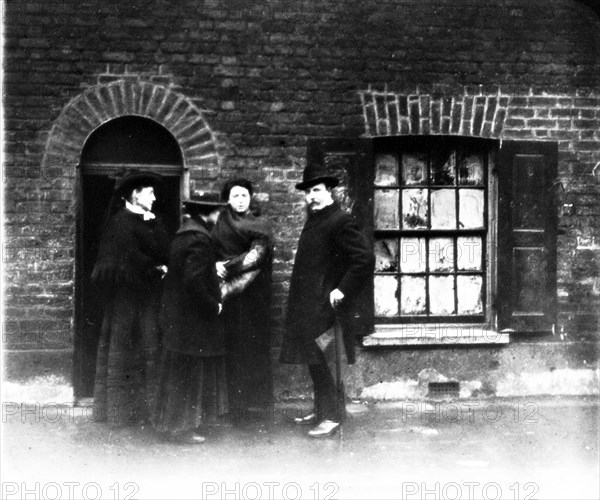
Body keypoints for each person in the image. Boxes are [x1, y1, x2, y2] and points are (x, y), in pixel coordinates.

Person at [279, 163, 374, 438]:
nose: (311, 196)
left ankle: (331, 417)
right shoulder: (316, 219)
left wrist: (342, 290)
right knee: (314, 359)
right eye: (308, 191)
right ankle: (323, 409)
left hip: (326, 306)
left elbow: (364, 259)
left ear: (329, 191)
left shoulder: (341, 220)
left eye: (317, 190)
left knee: (326, 360)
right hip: (309, 305)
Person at [91, 170, 170, 425]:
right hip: (127, 301)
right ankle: (122, 415)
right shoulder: (120, 223)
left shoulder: (154, 221)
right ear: (135, 195)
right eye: (150, 193)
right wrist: (154, 268)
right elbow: (124, 260)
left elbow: (165, 252)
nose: (155, 198)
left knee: (150, 348)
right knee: (126, 351)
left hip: (150, 299)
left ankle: (148, 414)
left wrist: (164, 266)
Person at [152, 192, 228, 444]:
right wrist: (212, 305)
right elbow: (193, 279)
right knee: (189, 373)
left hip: (178, 316)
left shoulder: (183, 235)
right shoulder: (200, 239)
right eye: (216, 211)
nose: (218, 216)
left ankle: (174, 425)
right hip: (192, 319)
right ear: (206, 213)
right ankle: (183, 429)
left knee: (179, 371)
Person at [211, 178, 273, 418]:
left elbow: (257, 256)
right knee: (228, 346)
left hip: (252, 296)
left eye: (244, 196)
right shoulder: (218, 224)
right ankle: (227, 405)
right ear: (228, 199)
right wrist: (214, 265)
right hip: (225, 296)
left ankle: (250, 406)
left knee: (250, 348)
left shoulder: (260, 225)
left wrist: (228, 266)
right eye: (235, 196)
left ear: (250, 198)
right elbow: (207, 249)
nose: (240, 200)